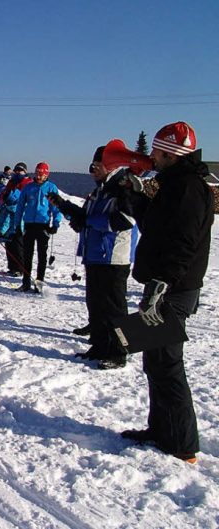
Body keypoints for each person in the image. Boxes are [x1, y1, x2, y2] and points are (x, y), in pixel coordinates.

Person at [120, 121, 214, 464]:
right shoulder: (174, 185)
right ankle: (160, 429)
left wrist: (162, 284)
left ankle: (183, 444)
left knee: (169, 364)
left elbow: (183, 243)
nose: (152, 158)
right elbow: (155, 227)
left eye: (157, 152)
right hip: (165, 284)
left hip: (172, 289)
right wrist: (134, 195)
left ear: (168, 153)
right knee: (155, 361)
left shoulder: (188, 188)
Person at [49, 145, 138, 369]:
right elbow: (86, 216)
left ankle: (119, 352)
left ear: (110, 165)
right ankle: (99, 346)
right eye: (92, 166)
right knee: (96, 305)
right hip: (95, 254)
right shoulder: (99, 191)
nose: (92, 170)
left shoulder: (121, 188)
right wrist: (64, 205)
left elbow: (126, 220)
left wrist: (88, 221)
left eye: (97, 165)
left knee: (114, 308)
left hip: (114, 257)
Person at [14, 162, 62, 292]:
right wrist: (17, 224)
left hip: (43, 225)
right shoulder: (28, 187)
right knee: (27, 255)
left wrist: (56, 224)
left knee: (42, 256)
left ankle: (39, 283)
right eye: (37, 174)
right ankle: (25, 283)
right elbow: (20, 207)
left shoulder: (51, 188)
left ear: (47, 175)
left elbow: (56, 208)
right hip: (29, 224)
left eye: (42, 174)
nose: (39, 177)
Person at [0, 162, 32, 276]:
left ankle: (20, 267)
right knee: (8, 240)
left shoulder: (27, 183)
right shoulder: (12, 181)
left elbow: (24, 198)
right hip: (8, 213)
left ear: (25, 171)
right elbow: (4, 194)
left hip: (21, 216)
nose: (18, 172)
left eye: (21, 170)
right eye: (17, 170)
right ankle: (12, 266)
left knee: (18, 241)